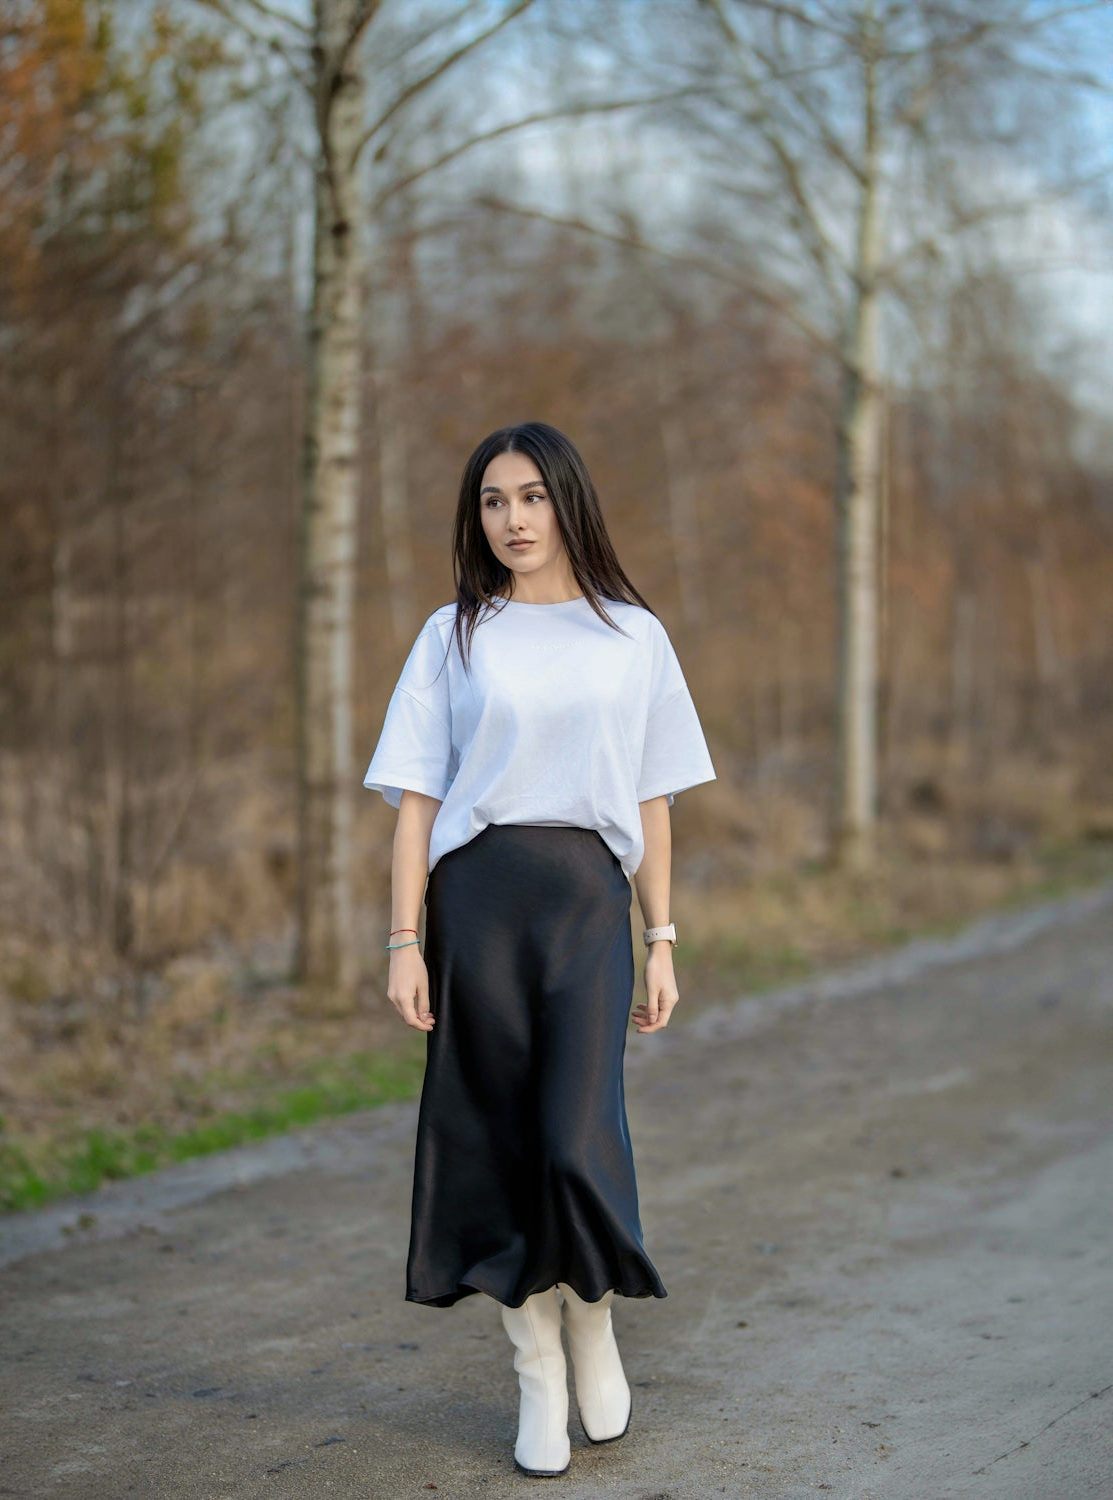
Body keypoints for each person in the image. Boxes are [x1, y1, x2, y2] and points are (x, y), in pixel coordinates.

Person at [362, 421, 717, 1477]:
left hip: (585, 912)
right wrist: (403, 941)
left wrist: (660, 936)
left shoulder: (633, 636)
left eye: (529, 497)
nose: (511, 520)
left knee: (576, 1136)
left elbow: (651, 799)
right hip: (477, 906)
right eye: (490, 501)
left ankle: (594, 1321)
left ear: (567, 502)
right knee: (496, 1143)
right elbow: (416, 805)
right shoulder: (453, 634)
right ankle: (534, 1368)